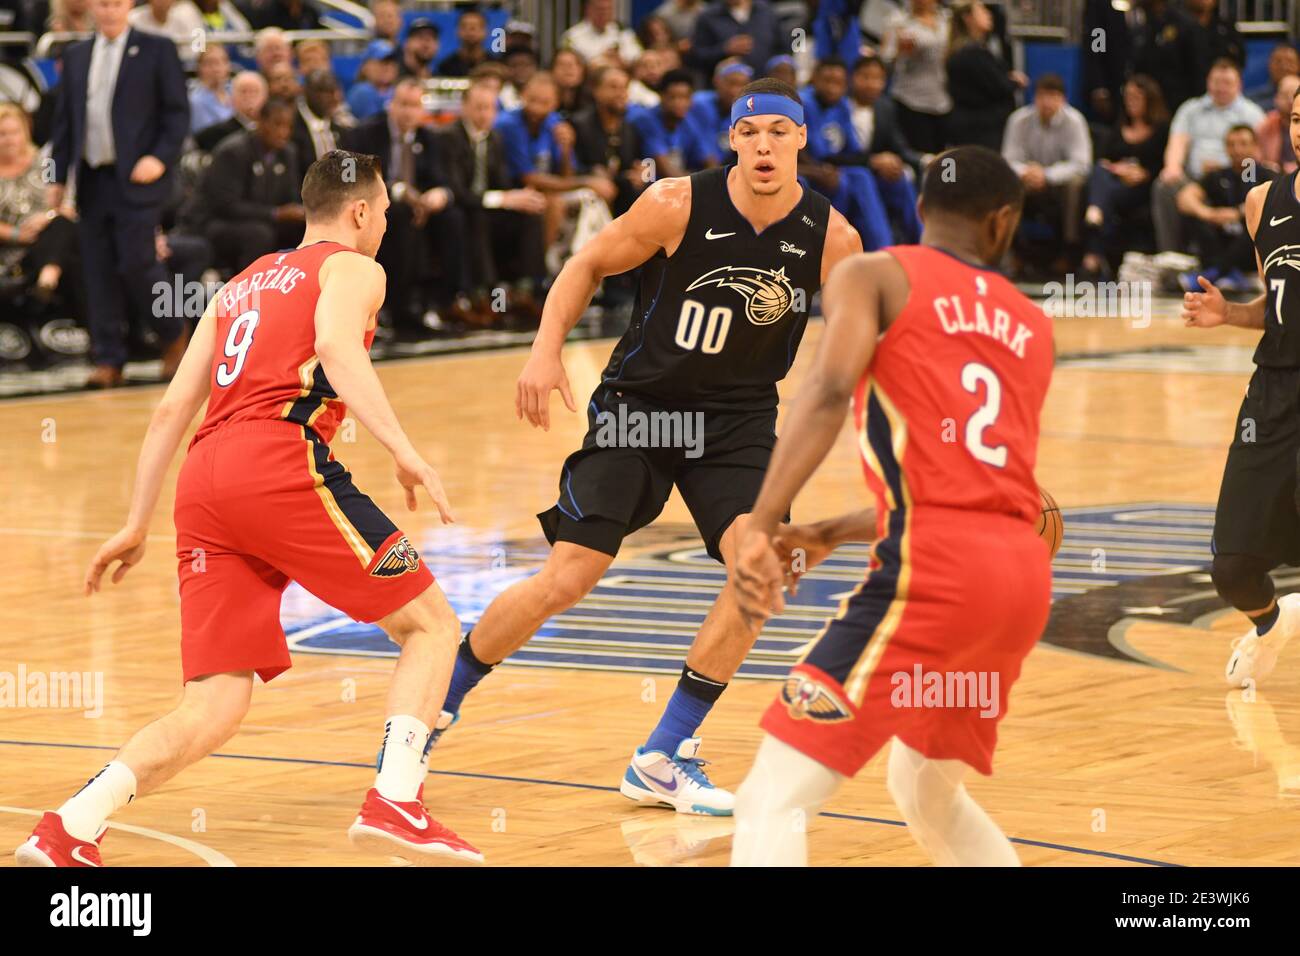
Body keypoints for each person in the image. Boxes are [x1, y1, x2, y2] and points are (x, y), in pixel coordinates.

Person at [14, 149, 480, 868]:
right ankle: (396, 799)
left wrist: (138, 519)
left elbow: (172, 405)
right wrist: (404, 448)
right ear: (359, 211)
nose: (386, 225)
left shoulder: (239, 283)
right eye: (384, 212)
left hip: (204, 481)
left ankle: (72, 825)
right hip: (277, 461)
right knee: (431, 627)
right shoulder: (354, 267)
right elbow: (334, 346)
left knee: (216, 702)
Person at [428, 78, 861, 815]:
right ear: (731, 139)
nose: (763, 144)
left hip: (738, 423)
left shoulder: (833, 236)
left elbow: (867, 335)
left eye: (777, 133)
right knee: (570, 575)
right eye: (749, 131)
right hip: (642, 408)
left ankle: (663, 753)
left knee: (756, 572)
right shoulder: (676, 204)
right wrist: (543, 353)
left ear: (801, 142)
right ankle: (437, 701)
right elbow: (584, 265)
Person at [727, 145, 1053, 866]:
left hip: (933, 573)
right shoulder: (1032, 324)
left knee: (769, 798)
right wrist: (825, 531)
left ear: (917, 210)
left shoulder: (873, 273)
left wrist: (761, 523)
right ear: (1002, 222)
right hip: (1020, 578)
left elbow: (826, 388)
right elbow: (972, 485)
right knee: (928, 792)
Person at [1183, 94, 1300, 689]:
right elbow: (1276, 309)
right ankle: (1272, 625)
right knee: (1232, 566)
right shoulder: (1263, 202)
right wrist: (1229, 313)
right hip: (1274, 393)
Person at [49, 0, 190, 388]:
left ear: (129, 5)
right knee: (96, 270)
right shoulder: (76, 54)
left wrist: (159, 158)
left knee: (138, 263)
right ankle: (109, 358)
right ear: (92, 7)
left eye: (116, 3)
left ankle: (173, 335)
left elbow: (177, 114)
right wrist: (54, 177)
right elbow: (63, 124)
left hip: (139, 179)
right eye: (102, 3)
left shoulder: (157, 48)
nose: (109, 10)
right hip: (93, 179)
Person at [343, 79, 465, 336]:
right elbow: (357, 179)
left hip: (419, 208)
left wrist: (438, 195)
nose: (409, 112)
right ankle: (397, 307)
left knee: (452, 218)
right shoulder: (366, 133)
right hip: (375, 208)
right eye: (404, 105)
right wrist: (398, 192)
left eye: (415, 106)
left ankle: (438, 304)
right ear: (391, 106)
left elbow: (444, 181)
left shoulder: (430, 138)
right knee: (400, 214)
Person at [437, 78, 547, 321]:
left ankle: (525, 290)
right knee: (477, 217)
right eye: (479, 107)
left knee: (530, 213)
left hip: (488, 208)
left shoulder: (495, 138)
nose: (485, 114)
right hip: (464, 210)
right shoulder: (449, 137)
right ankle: (483, 295)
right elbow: (459, 191)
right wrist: (504, 198)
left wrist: (518, 198)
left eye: (490, 108)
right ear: (464, 108)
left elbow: (502, 184)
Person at [1153, 58, 1264, 253]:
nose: (1220, 87)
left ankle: (1216, 259)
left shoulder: (1253, 114)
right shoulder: (1190, 109)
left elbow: (1259, 156)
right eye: (1215, 82)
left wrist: (1225, 168)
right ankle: (1170, 254)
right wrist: (1173, 167)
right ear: (1207, 82)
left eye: (1227, 83)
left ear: (1239, 84)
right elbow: (1177, 143)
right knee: (1164, 185)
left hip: (1234, 180)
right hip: (1194, 180)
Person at [196, 97, 304, 271]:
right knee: (259, 234)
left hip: (262, 219)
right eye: (277, 124)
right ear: (260, 122)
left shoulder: (288, 153)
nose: (283, 132)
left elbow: (291, 197)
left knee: (304, 228)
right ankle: (247, 291)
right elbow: (227, 206)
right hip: (217, 222)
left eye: (288, 127)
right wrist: (275, 214)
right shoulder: (234, 151)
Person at [1080, 74, 1169, 276]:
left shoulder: (1162, 129)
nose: (1131, 101)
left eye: (1136, 97)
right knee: (1100, 174)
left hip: (1144, 188)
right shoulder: (1119, 125)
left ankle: (1093, 254)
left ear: (1150, 99)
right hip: (1116, 183)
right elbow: (1103, 159)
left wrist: (1144, 174)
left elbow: (1164, 164)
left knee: (1103, 197)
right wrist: (1118, 169)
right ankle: (1097, 248)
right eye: (1128, 96)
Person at [1002, 73, 1091, 271]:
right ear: (1035, 97)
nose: (1047, 102)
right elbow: (1009, 160)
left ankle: (1069, 253)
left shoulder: (1075, 121)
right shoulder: (1019, 120)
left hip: (1058, 186)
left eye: (1053, 97)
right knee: (1005, 183)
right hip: (1026, 183)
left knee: (1075, 185)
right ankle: (1014, 252)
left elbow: (1081, 164)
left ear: (1063, 99)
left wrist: (1047, 175)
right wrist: (1027, 172)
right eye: (1042, 96)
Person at [1176, 125, 1276, 292]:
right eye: (1231, 144)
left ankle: (1214, 274)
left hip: (1249, 243)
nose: (1237, 149)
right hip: (1221, 238)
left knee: (1259, 224)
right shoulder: (1218, 175)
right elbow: (1184, 198)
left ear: (1255, 146)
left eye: (1243, 144)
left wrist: (1237, 213)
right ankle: (1230, 275)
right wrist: (1209, 214)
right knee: (1193, 217)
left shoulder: (1267, 174)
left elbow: (1272, 201)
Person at [944, 0, 1024, 151]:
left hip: (979, 128)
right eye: (982, 11)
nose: (989, 15)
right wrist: (1015, 82)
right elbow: (1000, 86)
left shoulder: (973, 50)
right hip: (980, 132)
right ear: (968, 18)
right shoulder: (971, 54)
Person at [879, 0, 950, 155]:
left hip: (943, 99)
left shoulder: (946, 18)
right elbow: (885, 61)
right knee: (922, 156)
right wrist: (900, 52)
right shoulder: (898, 21)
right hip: (910, 100)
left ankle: (946, 180)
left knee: (946, 158)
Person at [690, 0, 786, 77]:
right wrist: (724, 50)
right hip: (724, 92)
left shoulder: (767, 11)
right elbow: (697, 57)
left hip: (764, 85)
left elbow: (782, 47)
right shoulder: (708, 16)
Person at [194, 70, 267, 152]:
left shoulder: (272, 134)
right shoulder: (211, 135)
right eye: (243, 91)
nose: (249, 96)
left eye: (255, 91)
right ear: (231, 98)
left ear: (266, 98)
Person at [292, 70, 351, 166]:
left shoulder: (341, 129)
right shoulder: (292, 128)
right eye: (328, 92)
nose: (335, 98)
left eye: (337, 91)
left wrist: (351, 180)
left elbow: (350, 170)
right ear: (308, 93)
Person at [562, 0, 642, 67]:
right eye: (600, 9)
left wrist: (621, 60)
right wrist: (601, 60)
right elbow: (569, 66)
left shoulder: (624, 32)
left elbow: (638, 59)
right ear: (588, 9)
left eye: (608, 9)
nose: (605, 13)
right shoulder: (572, 36)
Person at [1256, 73, 1299, 174]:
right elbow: (1256, 158)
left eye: (1294, 95)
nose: (1290, 101)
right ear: (1276, 99)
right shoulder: (1266, 125)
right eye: (1285, 95)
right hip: (1274, 179)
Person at [348, 40, 400, 122]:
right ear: (366, 66)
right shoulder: (362, 92)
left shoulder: (397, 91)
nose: (388, 67)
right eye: (382, 62)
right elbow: (374, 127)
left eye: (391, 62)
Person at [189, 45, 234, 135]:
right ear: (200, 68)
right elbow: (206, 136)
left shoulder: (236, 91)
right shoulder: (195, 102)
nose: (217, 68)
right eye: (210, 63)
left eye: (222, 61)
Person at [438, 7, 494, 78]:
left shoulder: (495, 65)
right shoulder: (445, 67)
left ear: (485, 31)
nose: (470, 31)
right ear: (457, 31)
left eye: (474, 27)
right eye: (465, 26)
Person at [399, 17, 439, 82]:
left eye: (432, 38)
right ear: (407, 43)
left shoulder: (439, 77)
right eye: (420, 37)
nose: (426, 43)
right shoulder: (394, 75)